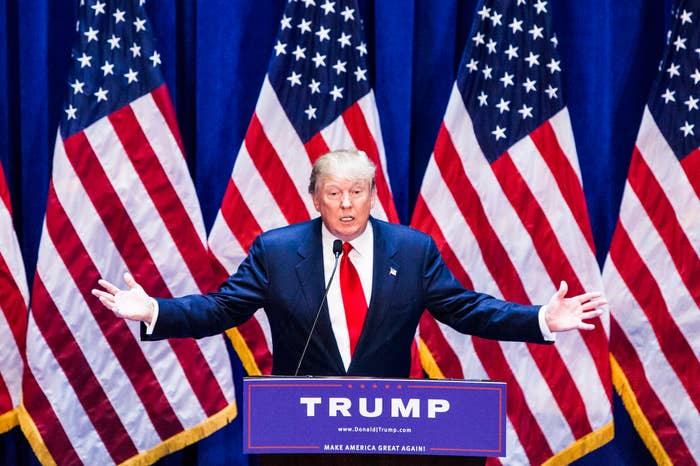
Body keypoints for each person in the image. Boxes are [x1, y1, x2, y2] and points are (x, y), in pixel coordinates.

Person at [92, 149, 605, 377]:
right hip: (298, 430)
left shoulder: (412, 249)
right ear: (314, 198)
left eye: (357, 192)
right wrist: (153, 311)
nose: (345, 204)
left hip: (389, 434)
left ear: (373, 196)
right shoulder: (274, 250)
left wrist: (541, 318)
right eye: (333, 192)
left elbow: (468, 310)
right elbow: (222, 309)